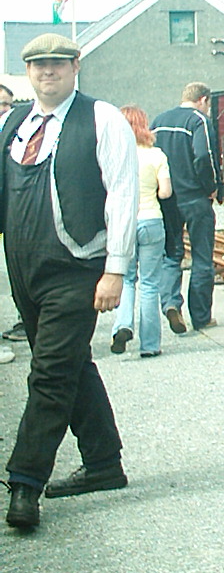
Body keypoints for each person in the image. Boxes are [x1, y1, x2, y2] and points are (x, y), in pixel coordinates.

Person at [2, 34, 138, 529]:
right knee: (68, 364)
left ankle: (24, 483)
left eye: (57, 63)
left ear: (76, 65)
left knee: (50, 375)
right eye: (38, 65)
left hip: (78, 269)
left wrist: (115, 270)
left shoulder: (102, 119)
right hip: (25, 272)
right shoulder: (15, 123)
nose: (47, 72)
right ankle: (104, 463)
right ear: (28, 71)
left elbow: (122, 195)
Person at [152, 82, 222, 333]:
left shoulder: (159, 121)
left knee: (171, 254)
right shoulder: (198, 121)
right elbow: (205, 157)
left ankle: (171, 303)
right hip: (195, 198)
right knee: (202, 258)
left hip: (166, 199)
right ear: (203, 100)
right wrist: (210, 186)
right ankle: (201, 317)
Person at [109, 106, 173, 358]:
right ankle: (150, 345)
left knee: (125, 280)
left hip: (123, 223)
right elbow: (165, 193)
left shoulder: (114, 155)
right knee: (149, 284)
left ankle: (123, 325)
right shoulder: (156, 155)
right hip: (151, 221)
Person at [0, 82, 26, 353]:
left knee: (16, 273)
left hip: (13, 219)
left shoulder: (18, 135)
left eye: (7, 104)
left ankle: (24, 319)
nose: (4, 110)